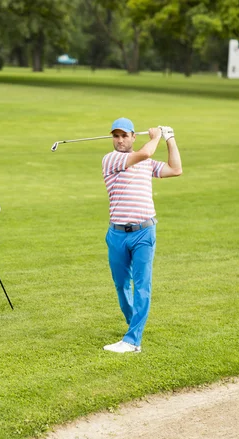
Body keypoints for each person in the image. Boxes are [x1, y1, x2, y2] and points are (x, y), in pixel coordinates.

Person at [102, 117, 182, 353]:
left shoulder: (146, 164)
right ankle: (133, 324)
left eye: (124, 135)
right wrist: (155, 136)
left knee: (142, 285)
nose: (119, 140)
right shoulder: (111, 159)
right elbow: (144, 154)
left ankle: (132, 340)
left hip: (144, 232)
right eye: (115, 136)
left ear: (133, 137)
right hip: (117, 233)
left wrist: (169, 138)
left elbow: (175, 169)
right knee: (121, 285)